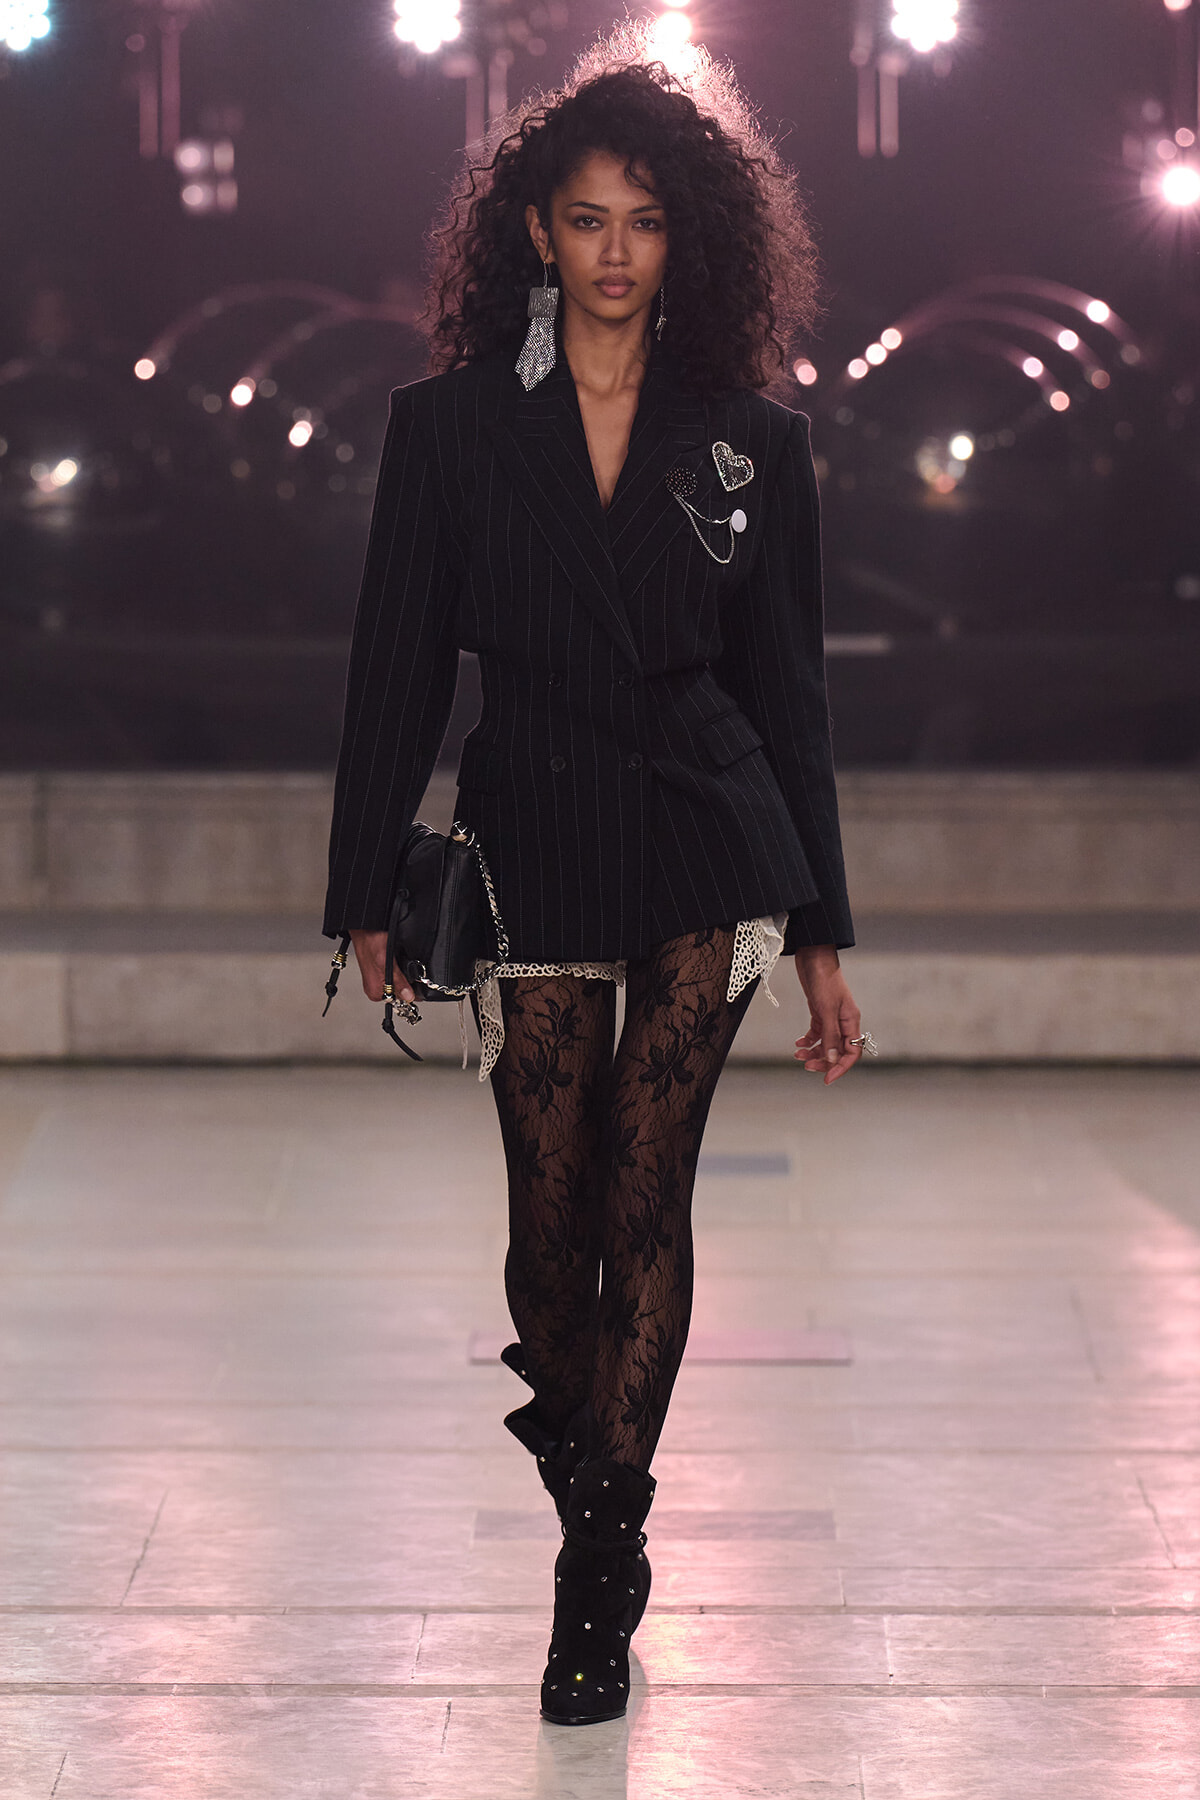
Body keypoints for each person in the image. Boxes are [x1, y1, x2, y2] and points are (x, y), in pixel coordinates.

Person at [323, 39, 868, 1728]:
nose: (617, 250)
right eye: (585, 220)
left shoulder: (753, 442)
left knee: (650, 1194)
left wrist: (829, 936)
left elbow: (791, 690)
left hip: (708, 824)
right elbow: (397, 664)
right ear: (535, 238)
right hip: (536, 819)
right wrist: (362, 886)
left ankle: (598, 1570)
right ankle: (593, 1464)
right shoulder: (450, 430)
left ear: (685, 241)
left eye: (644, 222)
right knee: (547, 1233)